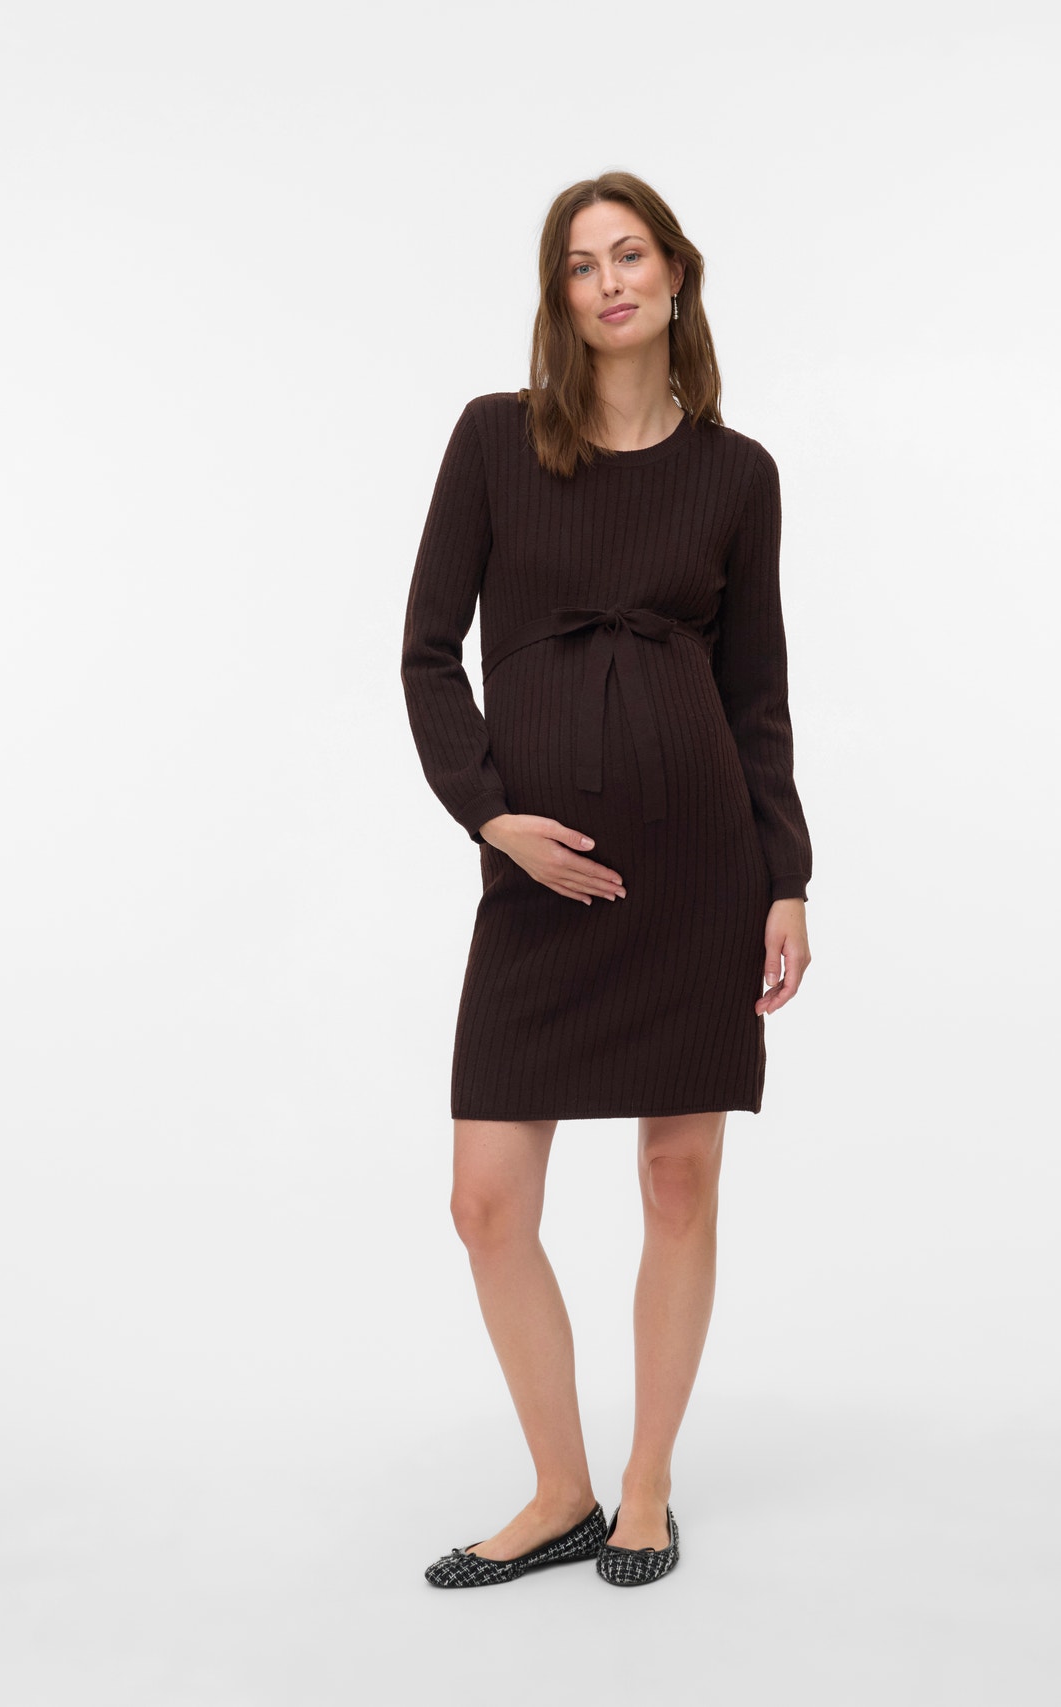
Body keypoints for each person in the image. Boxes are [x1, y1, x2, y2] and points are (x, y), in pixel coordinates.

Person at [401, 170, 813, 1589]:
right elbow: (426, 655)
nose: (609, 282)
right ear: (559, 296)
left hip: (700, 871)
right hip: (538, 881)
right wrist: (490, 818)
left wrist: (787, 877)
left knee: (677, 1178)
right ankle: (559, 1489)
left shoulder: (738, 475)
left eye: (630, 255)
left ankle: (644, 1488)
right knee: (485, 1202)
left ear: (676, 275)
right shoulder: (494, 440)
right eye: (580, 265)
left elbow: (757, 691)